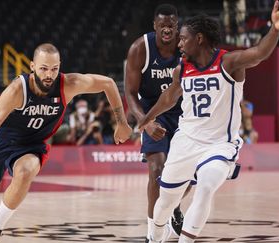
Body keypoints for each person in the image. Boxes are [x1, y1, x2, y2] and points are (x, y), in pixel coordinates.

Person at [0, 43, 132, 243]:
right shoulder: (17, 90)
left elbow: (108, 83)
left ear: (59, 66)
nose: (49, 74)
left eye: (54, 69)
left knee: (26, 171)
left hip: (31, 144)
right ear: (32, 66)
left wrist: (122, 123)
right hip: (1, 140)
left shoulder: (68, 84)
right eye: (43, 68)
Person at [138, 1, 279, 242]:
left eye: (183, 38)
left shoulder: (229, 63)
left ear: (199, 39)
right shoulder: (182, 69)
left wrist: (275, 29)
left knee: (204, 189)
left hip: (219, 145)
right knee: (166, 201)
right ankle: (154, 235)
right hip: (186, 141)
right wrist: (145, 119)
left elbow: (260, 53)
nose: (179, 43)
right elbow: (169, 97)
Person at [124, 4, 185, 241]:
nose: (167, 30)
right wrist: (145, 122)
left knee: (188, 175)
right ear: (154, 26)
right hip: (153, 112)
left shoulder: (186, 45)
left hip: (183, 113)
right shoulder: (140, 48)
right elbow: (130, 92)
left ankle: (174, 206)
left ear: (177, 26)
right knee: (156, 170)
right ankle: (153, 234)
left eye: (171, 25)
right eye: (162, 26)